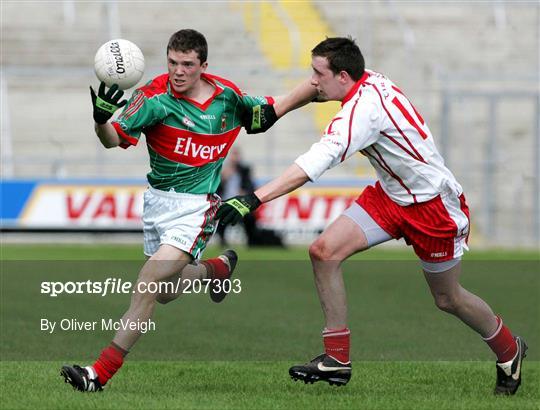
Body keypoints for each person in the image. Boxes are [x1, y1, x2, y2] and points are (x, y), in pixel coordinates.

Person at [216, 37, 527, 395]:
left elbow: (312, 164)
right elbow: (317, 88)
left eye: (318, 73)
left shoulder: (362, 113)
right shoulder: (362, 80)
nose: (312, 80)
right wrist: (278, 107)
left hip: (432, 208)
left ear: (344, 76)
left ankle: (509, 349)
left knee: (448, 299)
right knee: (323, 252)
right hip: (390, 196)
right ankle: (337, 358)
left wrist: (253, 199)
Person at [61, 29, 316, 392]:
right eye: (172, 63)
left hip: (197, 208)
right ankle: (216, 269)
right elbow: (114, 139)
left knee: (148, 284)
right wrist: (100, 120)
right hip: (156, 202)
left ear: (203, 66)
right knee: (164, 292)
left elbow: (272, 110)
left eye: (187, 64)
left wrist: (314, 88)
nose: (178, 71)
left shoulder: (227, 98)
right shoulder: (151, 96)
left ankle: (97, 374)